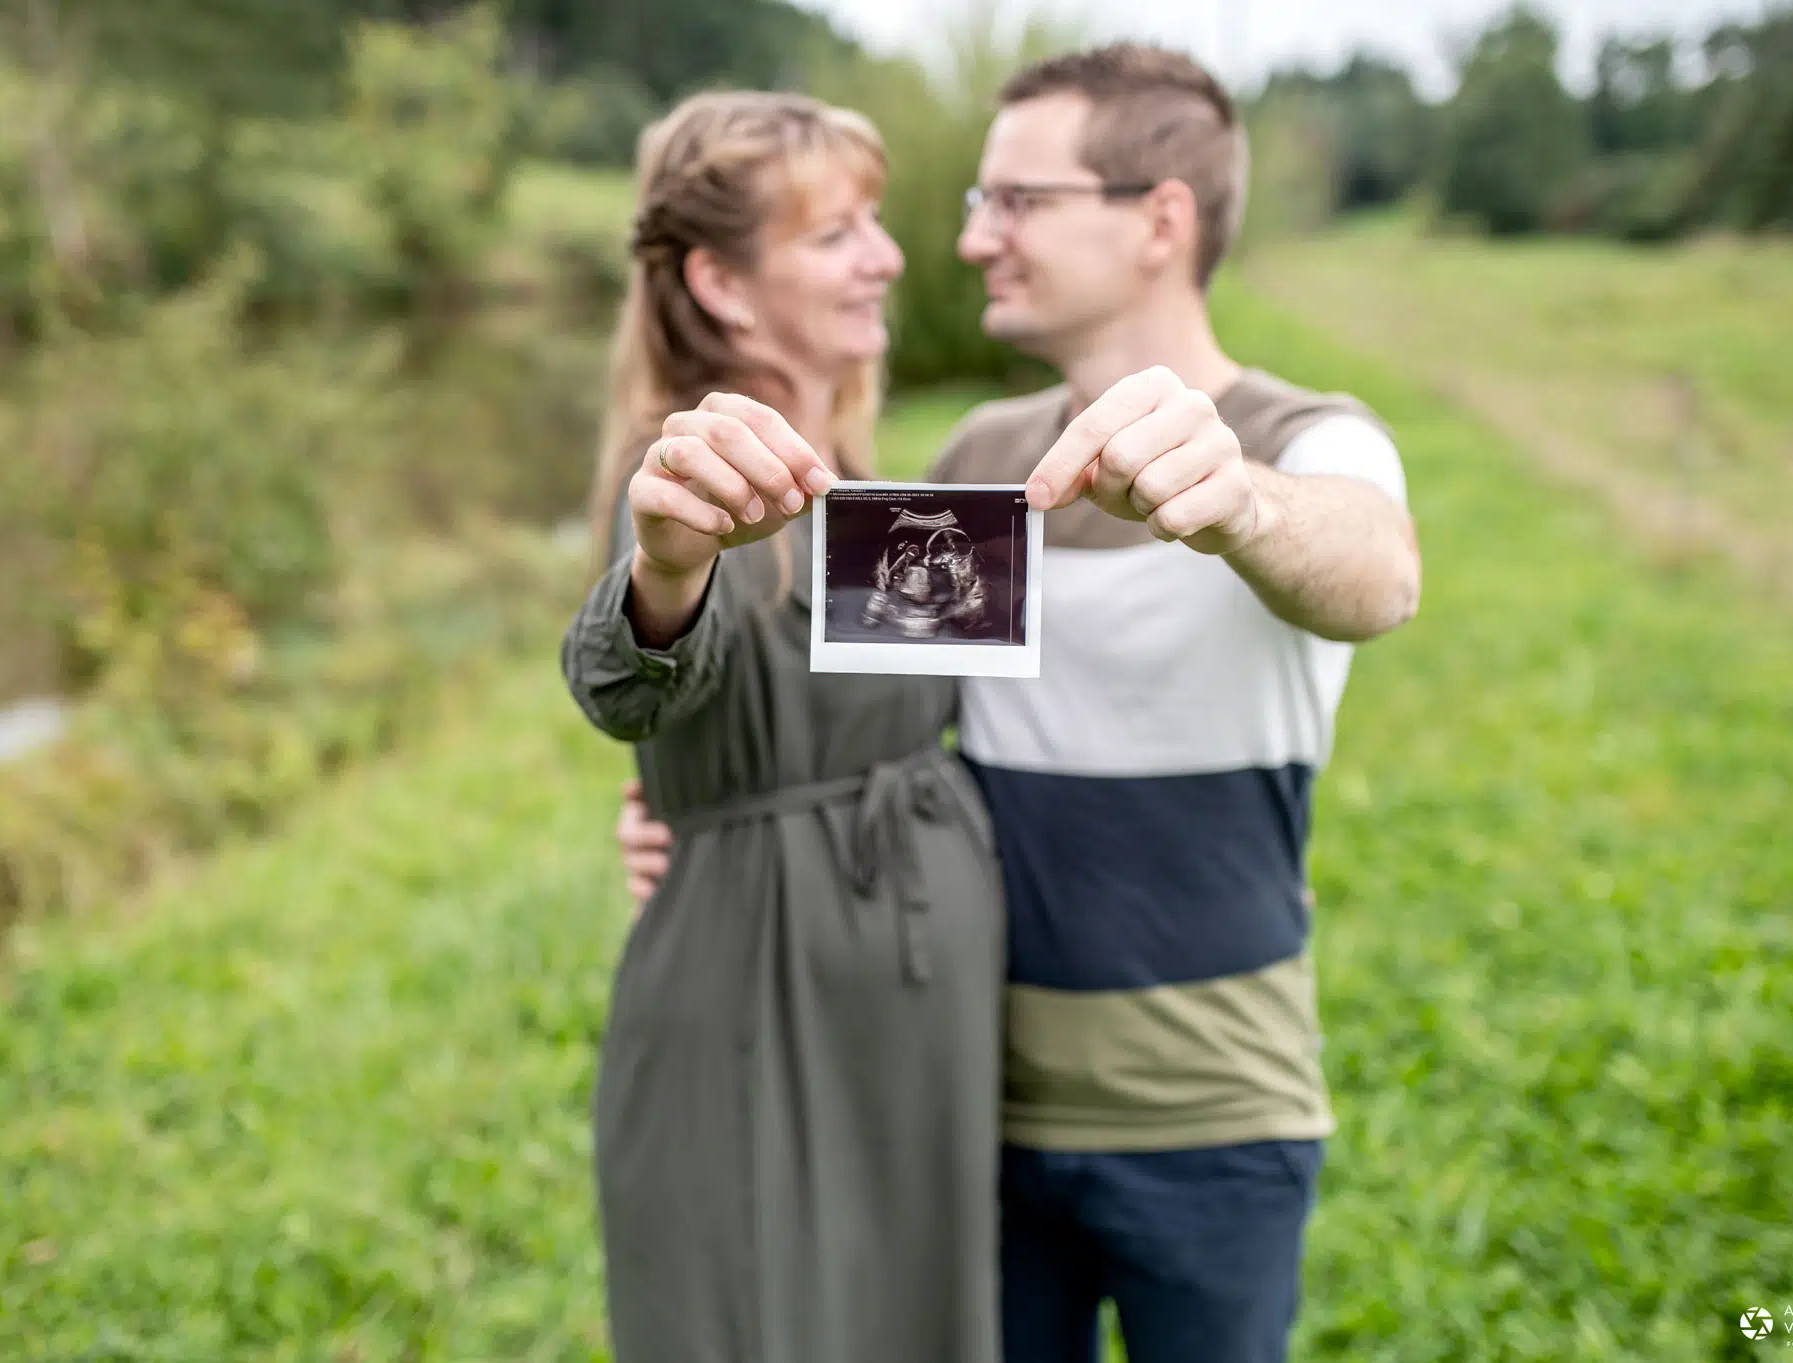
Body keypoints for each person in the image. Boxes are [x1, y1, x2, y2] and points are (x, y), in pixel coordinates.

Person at [611, 43, 1423, 1363]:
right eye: (979, 203)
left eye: (1017, 201)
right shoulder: (983, 459)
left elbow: (1379, 574)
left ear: (1159, 219)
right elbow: (817, 707)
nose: (975, 238)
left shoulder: (1302, 440)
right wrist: (691, 816)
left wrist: (1240, 504)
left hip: (1209, 1113)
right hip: (973, 1104)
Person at [558, 90, 1006, 1363]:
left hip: (916, 997)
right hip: (764, 986)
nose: (886, 256)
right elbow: (635, 672)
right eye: (837, 234)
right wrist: (665, 565)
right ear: (722, 282)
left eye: (875, 222)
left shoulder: (864, 474)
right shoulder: (694, 484)